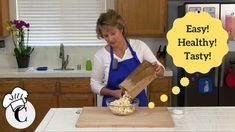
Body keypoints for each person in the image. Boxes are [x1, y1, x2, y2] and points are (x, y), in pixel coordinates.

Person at [90, 9, 164, 107]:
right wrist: (113, 93)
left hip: (139, 106)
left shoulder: (139, 46)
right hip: (112, 106)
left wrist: (159, 70)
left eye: (113, 33)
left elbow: (160, 71)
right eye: (105, 36)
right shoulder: (100, 56)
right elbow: (94, 84)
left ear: (121, 29)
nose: (110, 39)